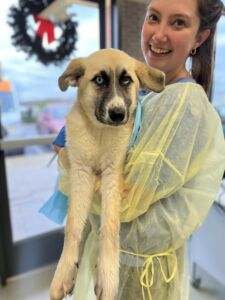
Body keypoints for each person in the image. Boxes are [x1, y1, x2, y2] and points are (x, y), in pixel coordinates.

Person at [40, 0, 225, 299]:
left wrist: (70, 157)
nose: (159, 34)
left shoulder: (184, 105)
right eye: (154, 17)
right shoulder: (149, 96)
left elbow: (126, 201)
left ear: (200, 37)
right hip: (113, 263)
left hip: (137, 277)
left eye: (178, 23)